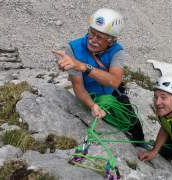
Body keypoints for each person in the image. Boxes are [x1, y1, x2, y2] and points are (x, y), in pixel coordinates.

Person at [53, 8, 145, 146]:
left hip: (112, 92)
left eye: (100, 37)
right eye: (92, 33)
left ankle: (140, 142)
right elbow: (78, 86)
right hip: (91, 95)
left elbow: (114, 81)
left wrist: (84, 67)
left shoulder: (117, 51)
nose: (93, 40)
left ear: (112, 41)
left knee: (131, 119)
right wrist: (92, 105)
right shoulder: (73, 49)